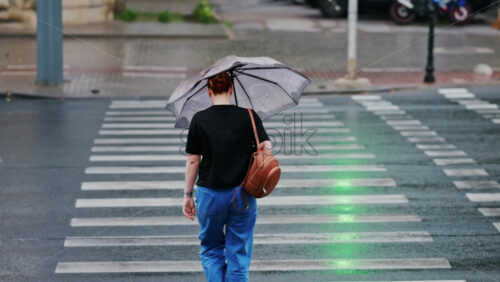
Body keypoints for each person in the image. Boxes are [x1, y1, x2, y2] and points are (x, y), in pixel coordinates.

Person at [183, 71, 272, 282]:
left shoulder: (199, 119)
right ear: (232, 89)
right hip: (242, 195)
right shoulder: (249, 115)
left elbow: (193, 160)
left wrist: (187, 195)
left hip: (210, 194)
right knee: (238, 252)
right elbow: (265, 146)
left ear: (208, 90)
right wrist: (267, 146)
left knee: (212, 248)